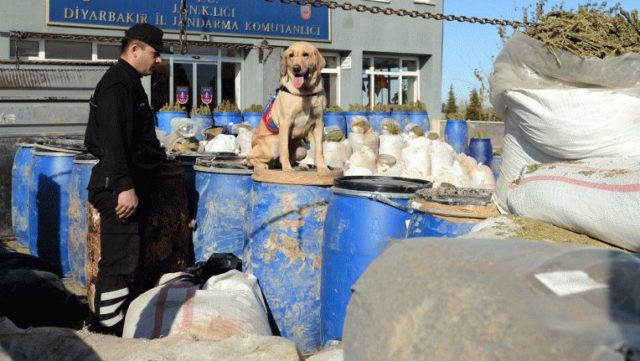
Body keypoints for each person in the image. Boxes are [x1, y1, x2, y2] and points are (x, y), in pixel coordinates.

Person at [84, 23, 170, 335]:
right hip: (116, 185)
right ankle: (106, 330)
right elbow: (111, 140)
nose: (157, 59)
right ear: (134, 50)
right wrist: (124, 186)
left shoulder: (129, 82)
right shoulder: (118, 85)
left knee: (128, 256)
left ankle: (116, 323)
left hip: (124, 181)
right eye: (154, 52)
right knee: (119, 259)